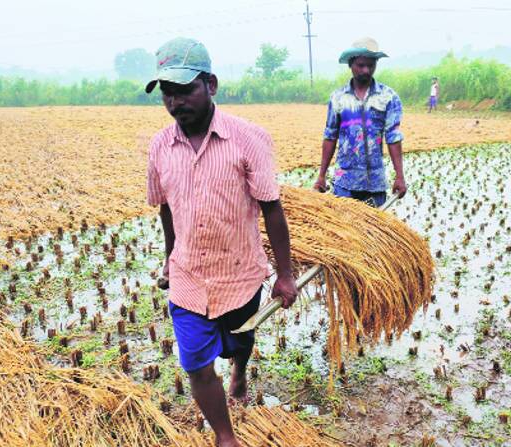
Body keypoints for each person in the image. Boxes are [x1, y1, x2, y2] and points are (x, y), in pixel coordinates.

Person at [144, 37, 298, 447]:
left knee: (239, 343)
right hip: (188, 277)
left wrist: (285, 276)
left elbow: (271, 208)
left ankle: (240, 369)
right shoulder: (160, 146)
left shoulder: (248, 139)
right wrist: (168, 259)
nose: (176, 102)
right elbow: (166, 210)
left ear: (211, 84)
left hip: (240, 274)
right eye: (167, 93)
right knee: (195, 363)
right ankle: (225, 437)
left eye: (185, 90)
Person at [313, 37, 407, 207]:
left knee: (372, 232)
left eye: (371, 65)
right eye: (361, 65)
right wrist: (321, 175)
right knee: (344, 232)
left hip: (375, 184)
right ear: (351, 64)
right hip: (345, 184)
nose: (366, 70)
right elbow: (330, 137)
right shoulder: (338, 98)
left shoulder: (388, 97)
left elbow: (393, 137)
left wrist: (400, 176)